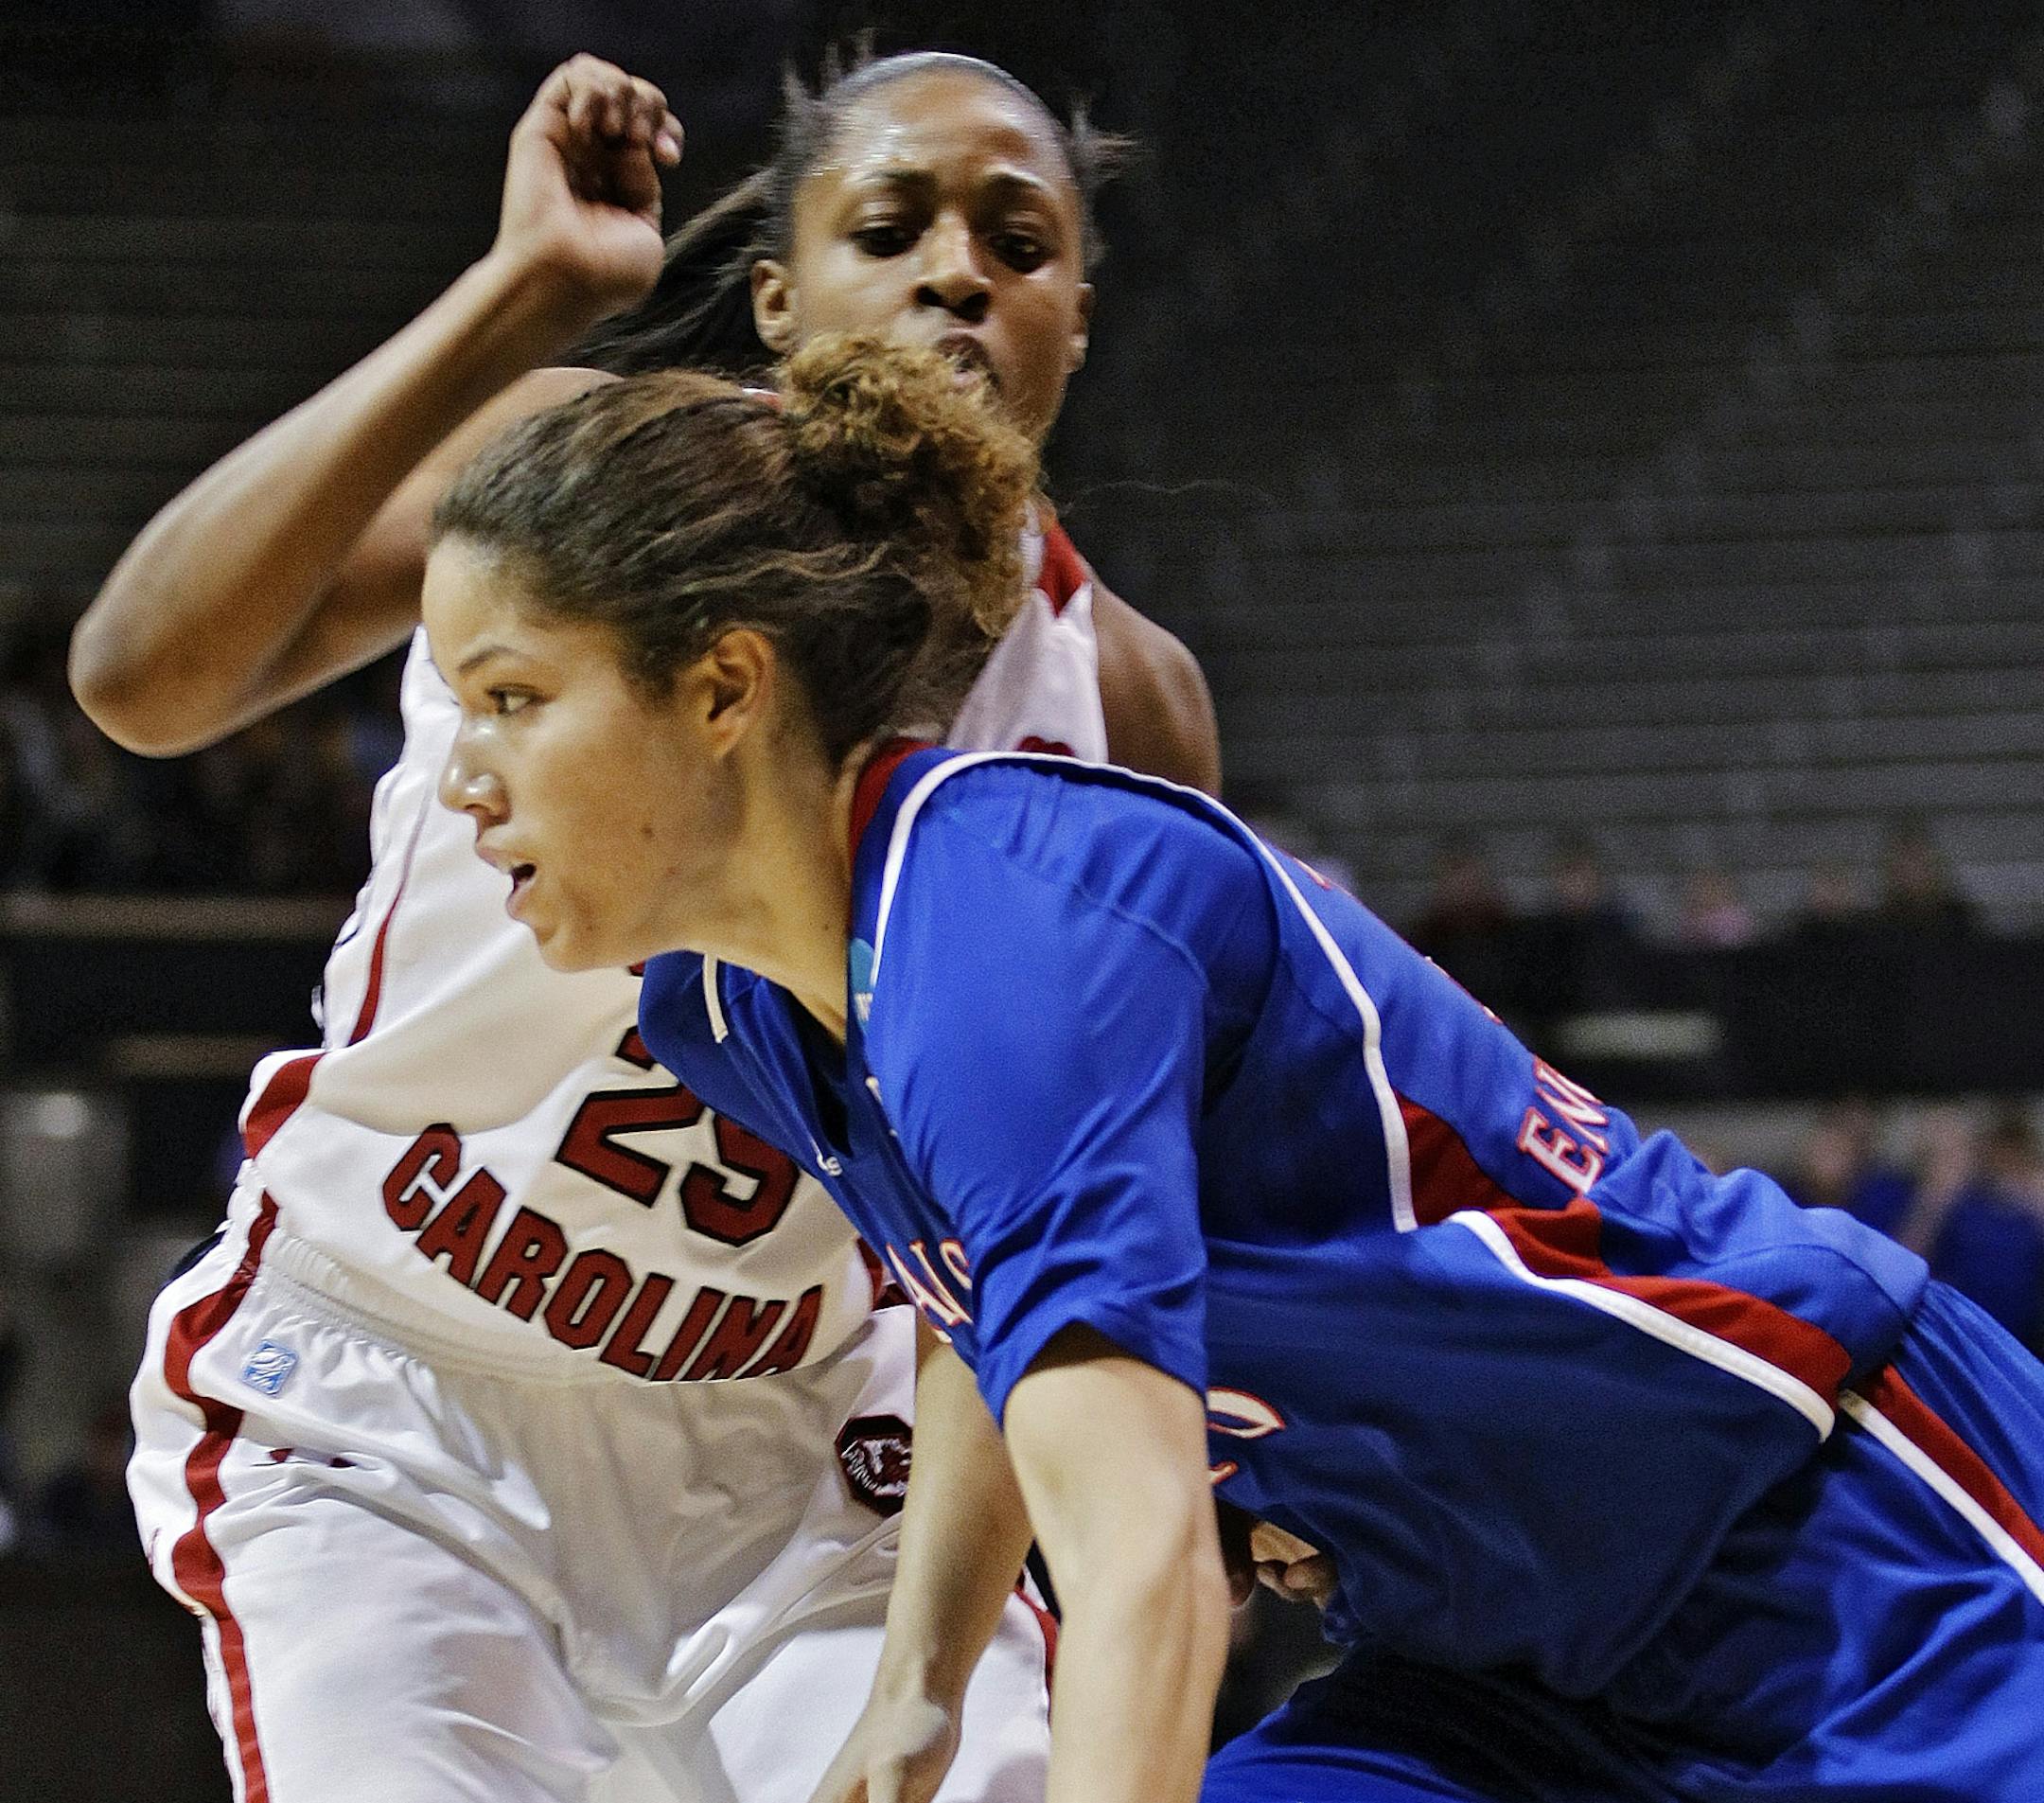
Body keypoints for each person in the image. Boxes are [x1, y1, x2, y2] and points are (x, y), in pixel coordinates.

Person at [417, 360, 2044, 1801]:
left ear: (718, 688)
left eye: (510, 697)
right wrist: (918, 1682)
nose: (460, 774)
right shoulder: (731, 1008)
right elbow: (991, 1310)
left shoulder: (1008, 937)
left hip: (1816, 1542)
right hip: (1489, 1676)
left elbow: (1144, 1568)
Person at [71, 50, 1217, 1803]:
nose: (956, 272)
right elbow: (147, 678)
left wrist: (931, 1667)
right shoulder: (576, 481)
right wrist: (521, 296)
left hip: (812, 1460)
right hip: (407, 1384)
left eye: (1019, 238)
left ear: (1077, 304)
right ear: (778, 298)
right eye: (891, 226)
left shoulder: (1121, 700)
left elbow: (1044, 1224)